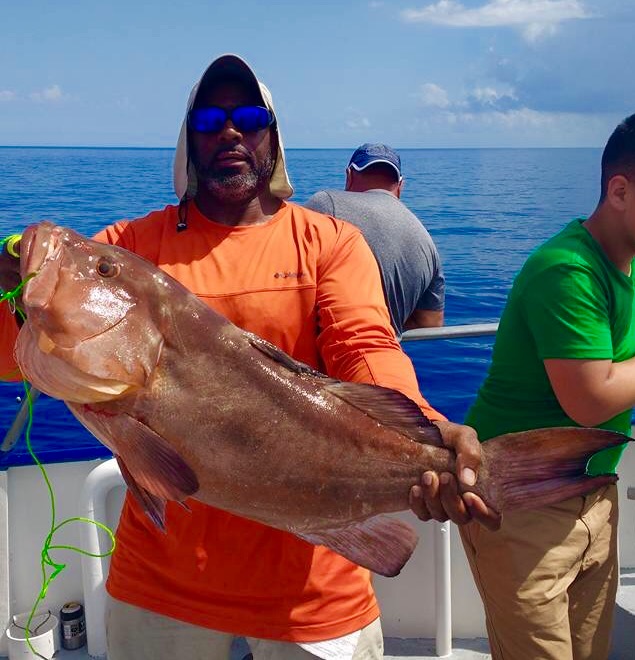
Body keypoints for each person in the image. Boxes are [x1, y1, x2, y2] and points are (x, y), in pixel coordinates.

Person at [0, 54, 498, 660]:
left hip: (314, 594)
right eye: (210, 118)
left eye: (249, 116)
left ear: (274, 136)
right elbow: (21, 351)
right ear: (189, 140)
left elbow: (364, 347)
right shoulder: (130, 246)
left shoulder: (329, 243)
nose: (230, 131)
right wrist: (15, 288)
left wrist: (430, 430)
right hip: (162, 587)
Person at [460, 114, 635, 660]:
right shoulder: (566, 269)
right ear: (620, 190)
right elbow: (591, 398)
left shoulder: (626, 267)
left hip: (594, 494)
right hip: (523, 507)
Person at [305, 144, 444, 336]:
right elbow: (430, 322)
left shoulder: (327, 203)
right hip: (384, 359)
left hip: (324, 358)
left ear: (349, 176)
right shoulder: (426, 242)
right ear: (400, 186)